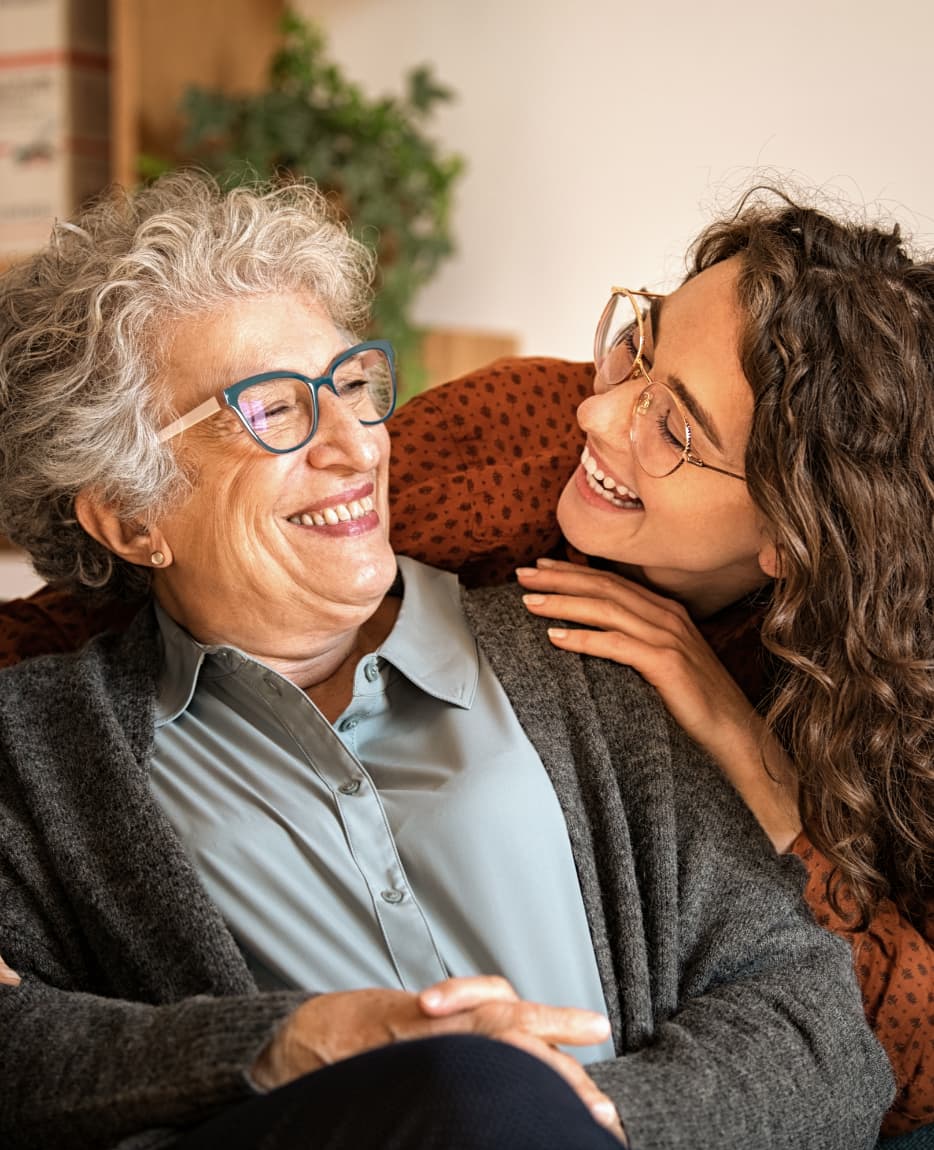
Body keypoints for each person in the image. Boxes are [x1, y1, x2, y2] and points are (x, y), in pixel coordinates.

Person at [0, 172, 892, 1150]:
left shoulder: (586, 657)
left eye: (350, 386)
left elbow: (824, 1037)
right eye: (271, 408)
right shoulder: (41, 752)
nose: (357, 445)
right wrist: (283, 1042)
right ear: (130, 513)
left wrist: (580, 1118)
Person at [506, 192, 934, 1136]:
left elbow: (916, 1057)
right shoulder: (527, 434)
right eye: (640, 343)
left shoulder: (893, 708)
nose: (598, 408)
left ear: (793, 534)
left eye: (675, 428)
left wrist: (756, 765)